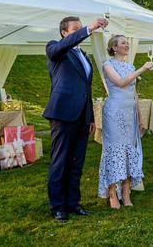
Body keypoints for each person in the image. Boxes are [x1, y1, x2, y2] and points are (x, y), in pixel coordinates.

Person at [44, 16, 107, 222]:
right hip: (63, 114)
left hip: (81, 117)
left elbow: (85, 90)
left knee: (76, 162)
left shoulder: (83, 56)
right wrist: (89, 28)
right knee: (60, 161)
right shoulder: (55, 49)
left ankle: (73, 202)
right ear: (64, 32)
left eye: (81, 28)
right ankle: (58, 206)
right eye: (75, 29)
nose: (80, 31)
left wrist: (89, 117)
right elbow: (63, 46)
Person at [98, 35, 153, 209]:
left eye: (127, 42)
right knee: (115, 151)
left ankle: (126, 191)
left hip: (130, 113)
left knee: (129, 151)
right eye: (123, 43)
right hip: (114, 112)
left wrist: (140, 116)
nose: (127, 45)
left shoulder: (130, 66)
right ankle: (113, 192)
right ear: (114, 47)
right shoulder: (108, 65)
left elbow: (134, 92)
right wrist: (142, 69)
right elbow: (121, 83)